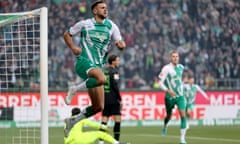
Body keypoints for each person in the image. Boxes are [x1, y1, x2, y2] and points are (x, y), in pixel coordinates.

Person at [63, 0, 126, 120]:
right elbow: (67, 34)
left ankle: (74, 120)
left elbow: (120, 42)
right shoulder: (85, 24)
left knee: (99, 106)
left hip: (97, 67)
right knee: (102, 78)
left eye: (106, 8)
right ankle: (74, 89)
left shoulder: (111, 26)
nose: (105, 9)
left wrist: (121, 45)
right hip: (84, 62)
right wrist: (73, 48)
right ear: (95, 11)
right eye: (102, 8)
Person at [158, 50, 187, 144]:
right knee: (169, 116)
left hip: (180, 96)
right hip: (169, 97)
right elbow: (160, 83)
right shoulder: (166, 68)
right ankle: (165, 126)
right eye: (173, 56)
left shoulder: (181, 67)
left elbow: (179, 80)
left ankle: (182, 139)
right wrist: (168, 91)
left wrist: (182, 86)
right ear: (170, 58)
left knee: (183, 115)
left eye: (177, 56)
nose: (175, 58)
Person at [99, 54, 122, 144]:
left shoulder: (103, 71)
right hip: (113, 98)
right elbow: (115, 86)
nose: (119, 62)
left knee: (104, 119)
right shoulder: (115, 72)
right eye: (117, 60)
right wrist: (119, 99)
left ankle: (100, 141)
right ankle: (116, 141)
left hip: (105, 98)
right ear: (113, 62)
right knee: (117, 119)